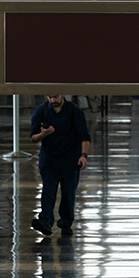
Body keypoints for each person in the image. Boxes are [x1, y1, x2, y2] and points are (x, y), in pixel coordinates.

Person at [30, 95, 91, 238]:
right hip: (49, 160)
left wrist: (84, 155)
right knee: (48, 191)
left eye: (56, 97)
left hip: (70, 160)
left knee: (68, 193)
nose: (53, 100)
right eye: (50, 97)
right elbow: (33, 137)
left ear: (62, 95)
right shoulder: (42, 111)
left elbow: (84, 136)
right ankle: (45, 221)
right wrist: (44, 133)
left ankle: (66, 223)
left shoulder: (74, 111)